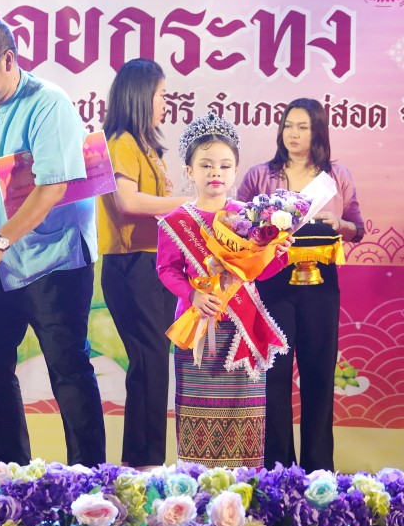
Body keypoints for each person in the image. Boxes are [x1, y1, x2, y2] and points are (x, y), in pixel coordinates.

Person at [0, 16, 105, 467]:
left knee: (68, 368)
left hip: (52, 259)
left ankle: (88, 479)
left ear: (9, 59)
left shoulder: (49, 104)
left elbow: (52, 187)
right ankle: (9, 472)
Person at [156, 114, 291, 468]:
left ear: (235, 172)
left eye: (224, 165)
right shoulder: (176, 221)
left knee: (244, 411)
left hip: (242, 326)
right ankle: (196, 484)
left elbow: (261, 272)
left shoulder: (251, 217)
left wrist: (279, 253)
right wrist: (193, 295)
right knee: (195, 409)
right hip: (199, 325)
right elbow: (166, 269)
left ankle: (244, 486)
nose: (215, 172)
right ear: (189, 171)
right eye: (206, 165)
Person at [237, 98, 365, 471]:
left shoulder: (336, 176)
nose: (293, 134)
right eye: (288, 126)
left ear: (318, 131)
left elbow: (357, 227)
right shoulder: (261, 175)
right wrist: (259, 229)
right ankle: (277, 467)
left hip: (321, 283)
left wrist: (339, 225)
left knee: (319, 373)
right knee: (275, 374)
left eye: (302, 127)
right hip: (273, 282)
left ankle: (318, 469)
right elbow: (237, 223)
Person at [97, 59, 185, 470]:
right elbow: (127, 202)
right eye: (162, 94)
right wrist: (191, 204)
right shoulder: (121, 142)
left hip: (153, 265)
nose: (166, 102)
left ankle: (144, 460)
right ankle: (144, 464)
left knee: (152, 362)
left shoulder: (145, 145)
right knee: (149, 362)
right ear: (141, 95)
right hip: (132, 265)